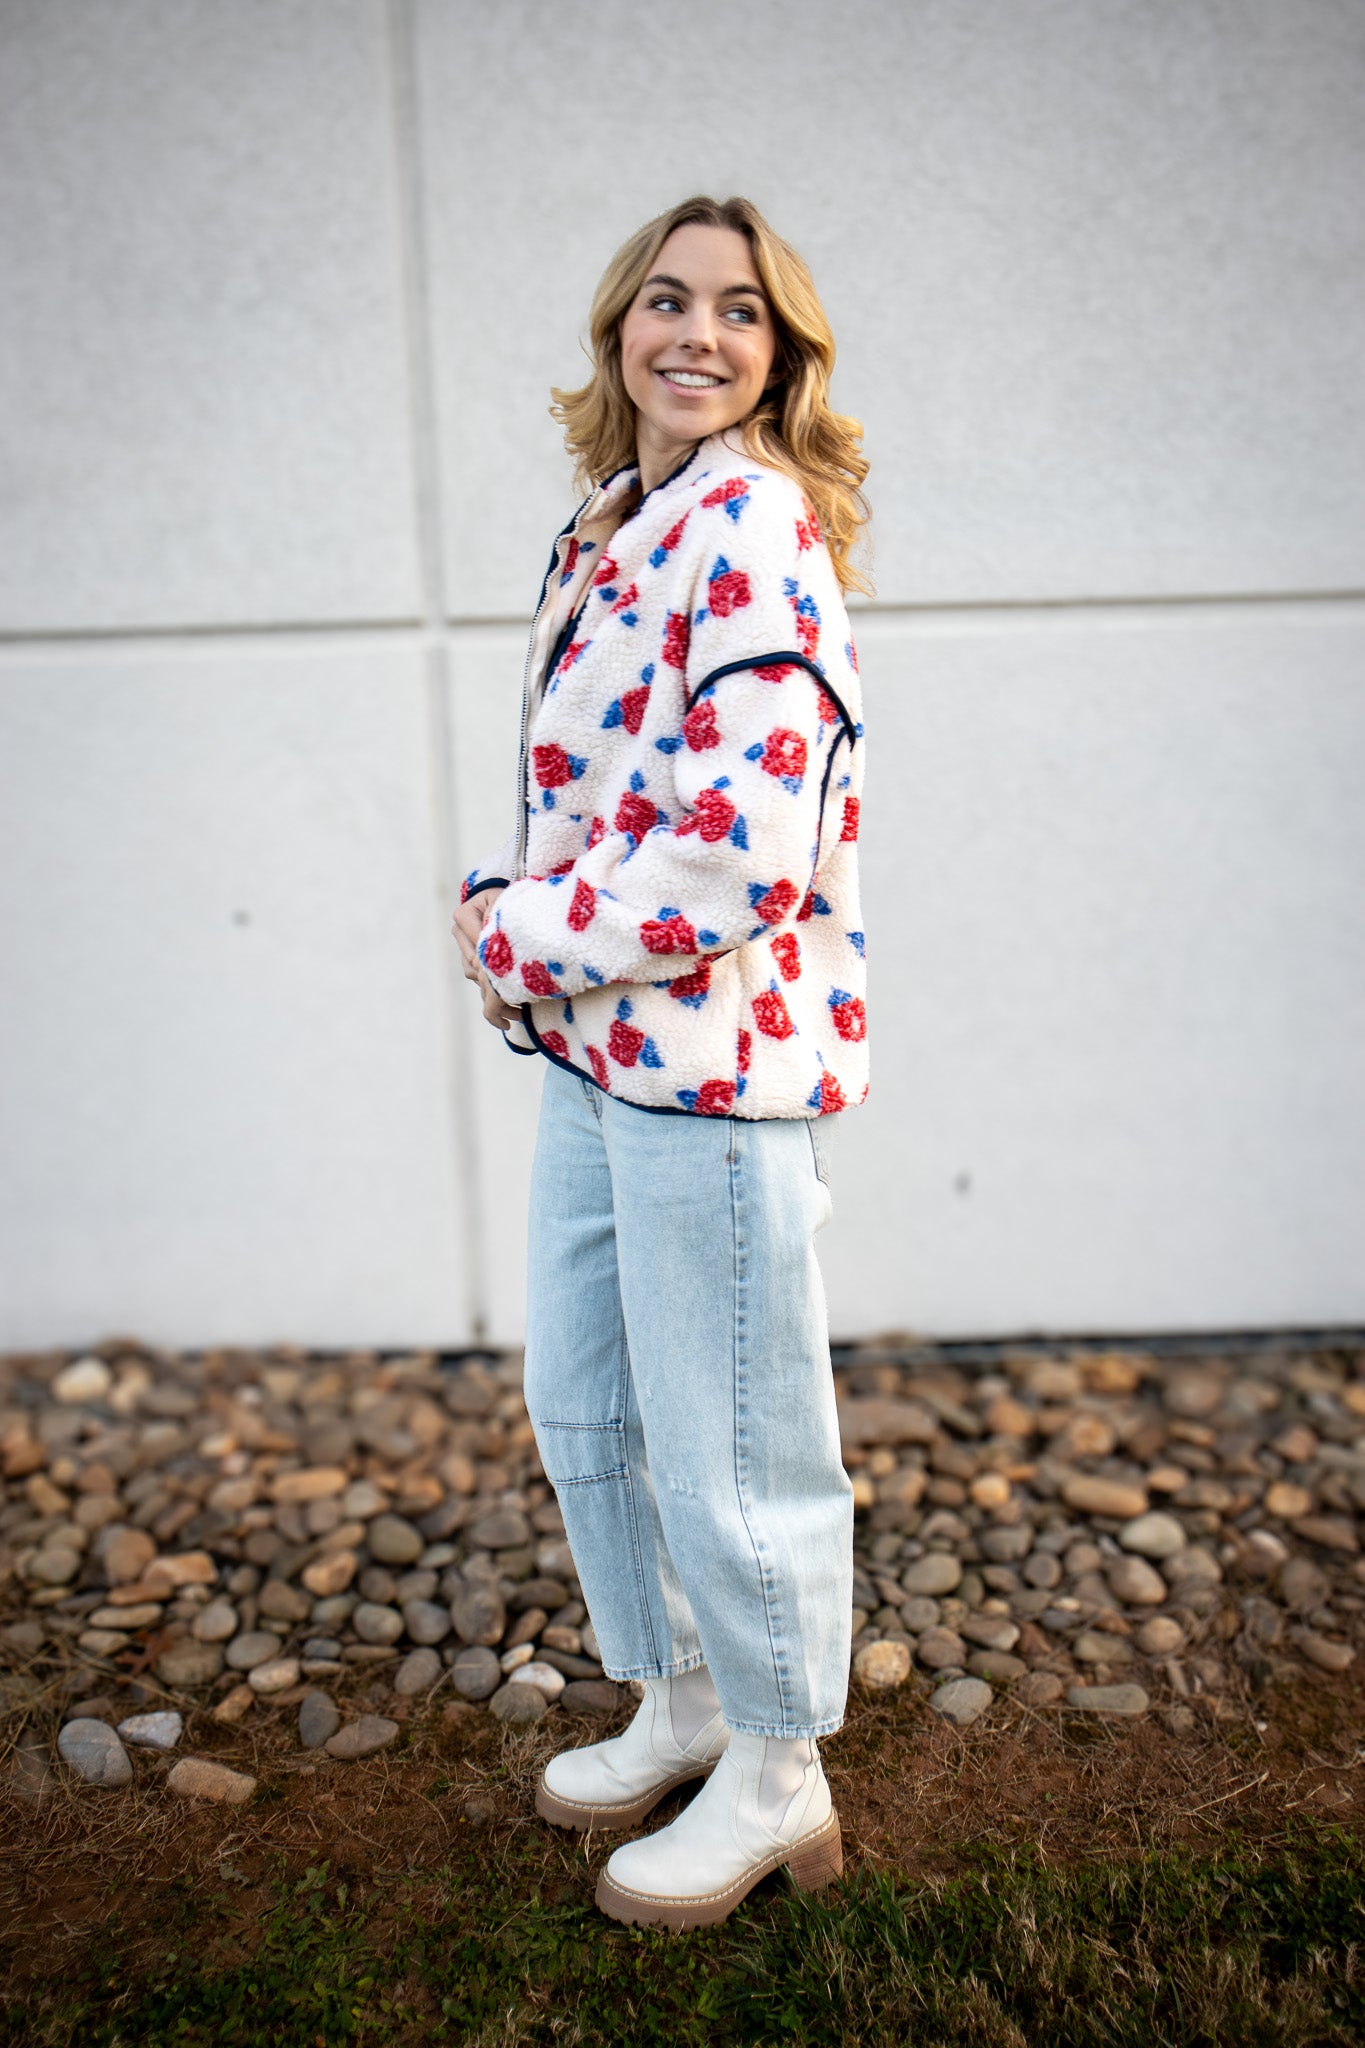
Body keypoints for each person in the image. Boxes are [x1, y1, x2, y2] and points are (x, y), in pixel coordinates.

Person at [451, 194, 870, 1932]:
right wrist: (547, 966)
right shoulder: (606, 522)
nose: (697, 335)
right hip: (599, 1053)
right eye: (669, 300)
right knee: (593, 1404)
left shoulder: (758, 527)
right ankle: (683, 1695)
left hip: (717, 1062)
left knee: (731, 1436)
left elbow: (743, 844)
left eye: (741, 315)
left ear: (779, 358)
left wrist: (515, 936)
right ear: (618, 322)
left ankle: (779, 1771)